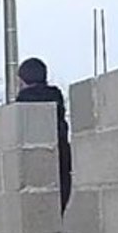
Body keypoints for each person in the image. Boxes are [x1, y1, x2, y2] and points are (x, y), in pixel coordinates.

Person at [16, 57, 72, 215]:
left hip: (33, 170)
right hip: (62, 166)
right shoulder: (56, 100)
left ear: (22, 80)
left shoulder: (22, 106)